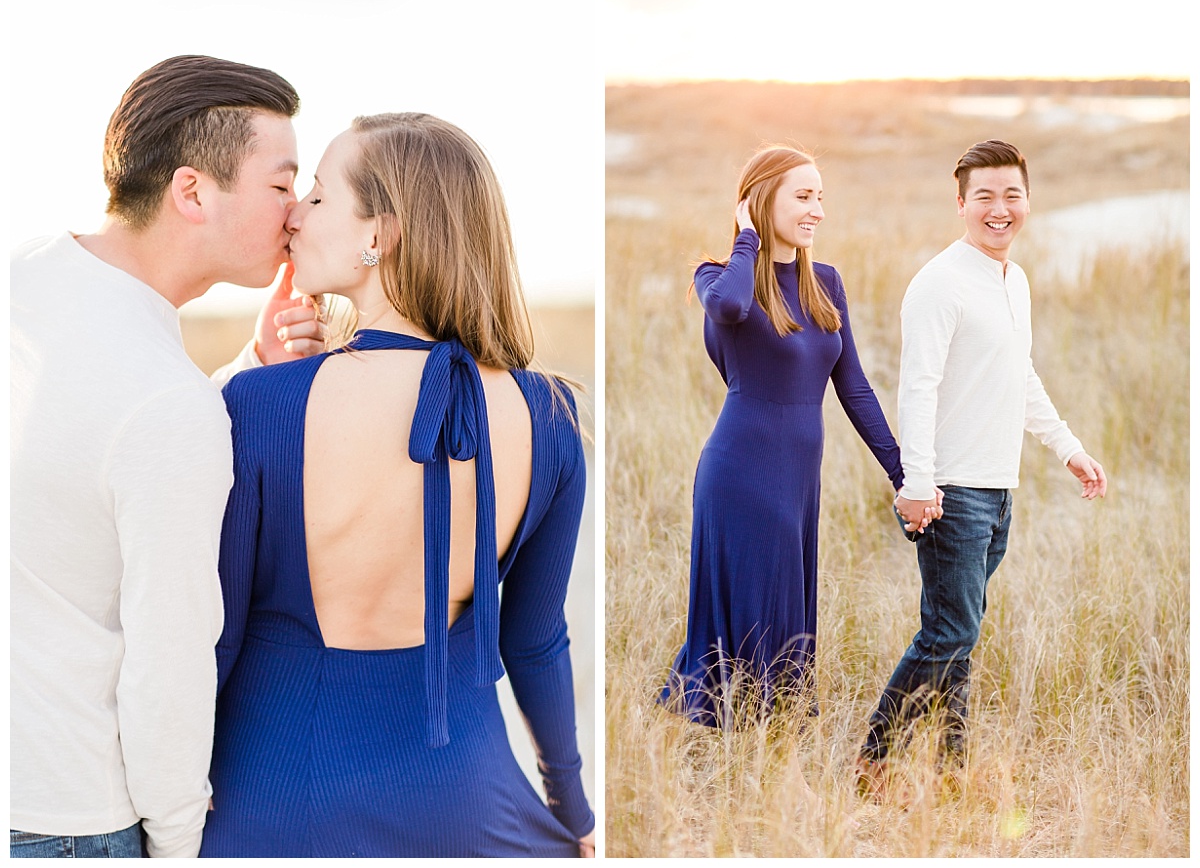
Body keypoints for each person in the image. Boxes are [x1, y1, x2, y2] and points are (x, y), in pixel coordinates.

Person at [197, 112, 595, 857]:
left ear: (378, 233)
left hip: (276, 801)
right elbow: (538, 639)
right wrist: (572, 810)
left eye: (316, 196)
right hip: (467, 806)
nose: (292, 216)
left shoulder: (260, 405)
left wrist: (162, 801)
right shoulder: (550, 415)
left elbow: (208, 641)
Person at [10, 55, 304, 857]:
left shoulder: (25, 274)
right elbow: (166, 666)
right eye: (282, 186)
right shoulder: (163, 404)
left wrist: (242, 372)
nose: (298, 214)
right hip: (71, 819)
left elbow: (89, 459)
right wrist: (176, 844)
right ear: (191, 191)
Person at [856, 140, 1107, 794]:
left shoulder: (1013, 280)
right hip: (951, 493)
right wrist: (916, 483)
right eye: (986, 197)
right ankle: (875, 757)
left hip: (999, 490)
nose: (1000, 209)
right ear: (961, 203)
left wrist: (1070, 449)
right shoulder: (939, 282)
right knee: (950, 632)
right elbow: (918, 387)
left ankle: (952, 768)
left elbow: (1019, 376)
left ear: (1027, 200)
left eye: (1012, 195)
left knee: (956, 635)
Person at [659, 146, 932, 730]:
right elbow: (731, 306)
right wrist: (745, 238)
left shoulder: (826, 283)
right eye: (802, 197)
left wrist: (904, 473)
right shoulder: (717, 278)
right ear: (761, 201)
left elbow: (854, 387)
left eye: (820, 198)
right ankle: (741, 748)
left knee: (788, 619)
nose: (817, 212)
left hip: (799, 481)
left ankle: (771, 741)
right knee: (756, 617)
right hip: (741, 474)